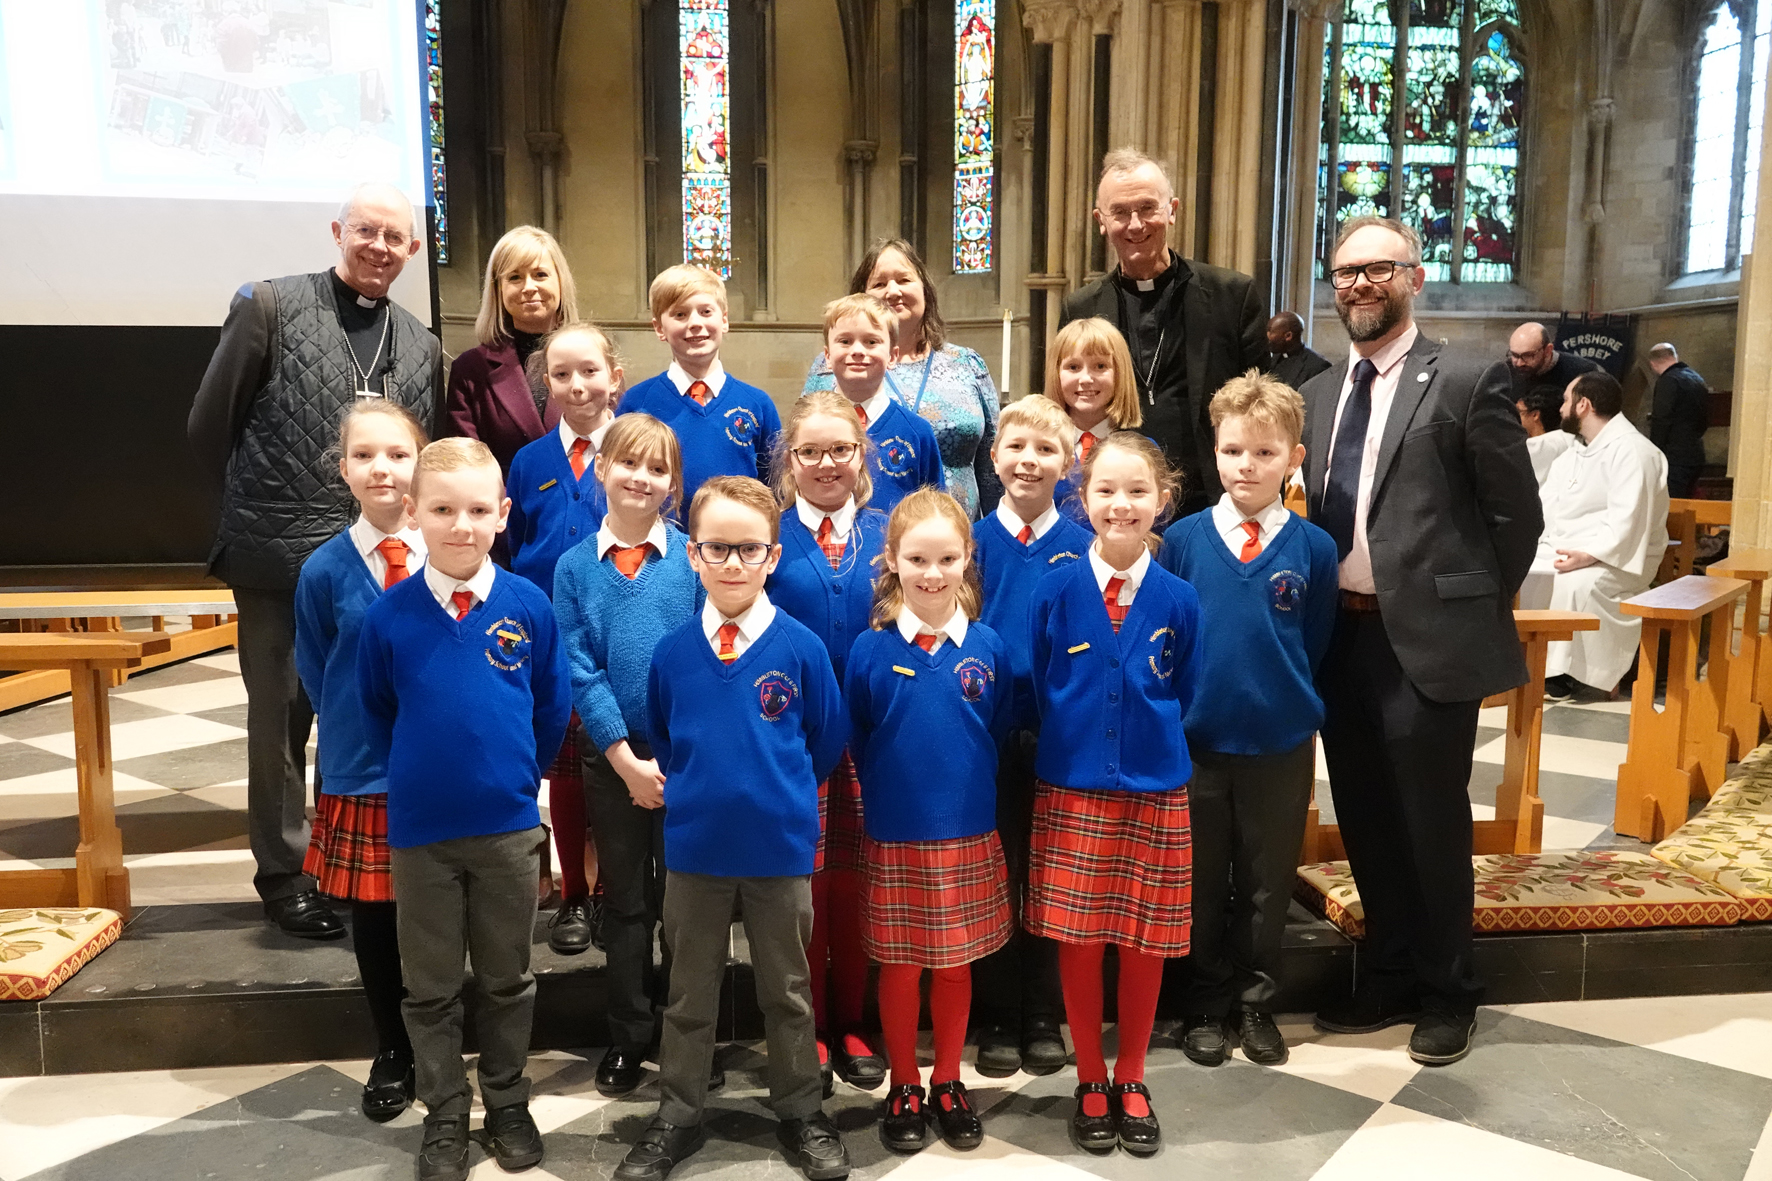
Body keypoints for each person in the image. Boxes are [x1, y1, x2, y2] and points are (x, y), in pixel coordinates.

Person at [1301, 217, 1540, 1066]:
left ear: (1413, 277)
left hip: (1428, 643)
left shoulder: (1468, 377)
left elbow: (1517, 518)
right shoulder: (1323, 391)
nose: (1359, 285)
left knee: (1431, 819)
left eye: (1376, 269)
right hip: (1346, 639)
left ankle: (1449, 989)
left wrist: (1460, 605)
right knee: (1364, 814)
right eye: (1344, 273)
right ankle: (1391, 970)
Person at [187, 182, 439, 939]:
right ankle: (282, 873)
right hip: (278, 558)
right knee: (281, 719)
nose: (379, 247)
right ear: (338, 231)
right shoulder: (269, 306)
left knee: (357, 714)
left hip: (378, 562)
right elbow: (210, 424)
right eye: (366, 231)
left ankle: (341, 865)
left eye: (394, 237)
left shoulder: (422, 344)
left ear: (413, 250)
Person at [618, 477, 850, 1181]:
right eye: (717, 547)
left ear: (773, 555)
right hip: (695, 851)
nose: (732, 563)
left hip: (779, 852)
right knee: (689, 992)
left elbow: (827, 737)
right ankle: (677, 1114)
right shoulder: (673, 654)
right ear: (693, 554)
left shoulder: (801, 648)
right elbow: (662, 729)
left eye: (748, 548)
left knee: (788, 989)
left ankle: (802, 1112)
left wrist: (772, 792)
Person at [358, 438, 572, 1181]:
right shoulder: (389, 618)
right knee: (432, 984)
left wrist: (519, 778)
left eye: (479, 509)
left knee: (508, 976)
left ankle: (507, 1098)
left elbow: (551, 708)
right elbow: (379, 711)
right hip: (423, 834)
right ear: (413, 513)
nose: (461, 524)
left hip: (509, 829)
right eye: (443, 509)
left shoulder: (529, 607)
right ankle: (445, 1108)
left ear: (503, 513)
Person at [1027, 432, 1201, 1157]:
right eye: (1105, 490)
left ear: (1163, 500)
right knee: (1080, 933)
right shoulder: (1057, 589)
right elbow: (1042, 684)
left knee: (1144, 940)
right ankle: (1090, 1074)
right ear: (1082, 498)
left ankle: (1132, 1071)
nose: (1120, 504)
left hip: (1155, 790)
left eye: (1137, 492)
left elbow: (1185, 689)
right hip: (1073, 787)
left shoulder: (1180, 598)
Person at [1156, 373, 1338, 1069]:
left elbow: (1314, 639)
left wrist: (1288, 702)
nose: (1247, 466)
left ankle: (1256, 1001)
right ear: (1216, 450)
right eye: (1234, 451)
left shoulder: (1313, 548)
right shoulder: (1183, 541)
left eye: (1265, 452)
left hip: (1280, 740)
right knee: (1201, 878)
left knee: (1268, 880)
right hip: (1198, 740)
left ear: (1293, 456)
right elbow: (1170, 643)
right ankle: (1204, 999)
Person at [846, 489, 1014, 1154]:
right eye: (917, 558)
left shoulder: (990, 647)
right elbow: (859, 734)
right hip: (895, 830)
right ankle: (906, 1081)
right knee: (898, 964)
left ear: (968, 558)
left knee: (953, 965)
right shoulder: (868, 649)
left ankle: (948, 1079)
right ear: (892, 560)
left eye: (947, 557)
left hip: (967, 828)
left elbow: (995, 726)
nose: (933, 572)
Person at [552, 414, 700, 1097]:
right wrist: (624, 758)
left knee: (684, 902)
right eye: (629, 463)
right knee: (628, 903)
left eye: (658, 467)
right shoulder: (575, 566)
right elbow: (579, 667)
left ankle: (684, 1030)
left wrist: (672, 756)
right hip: (612, 758)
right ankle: (628, 1034)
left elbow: (705, 656)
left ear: (673, 482)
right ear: (602, 467)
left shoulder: (694, 559)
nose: (642, 477)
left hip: (685, 756)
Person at [293, 401, 428, 1122]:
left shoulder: (450, 549)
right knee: (377, 917)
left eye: (398, 453)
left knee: (439, 910)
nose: (383, 468)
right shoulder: (323, 569)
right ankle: (393, 1045)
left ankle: (442, 1036)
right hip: (367, 764)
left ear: (420, 459)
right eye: (366, 455)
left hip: (443, 765)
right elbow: (318, 668)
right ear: (343, 469)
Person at [765, 392, 891, 1095]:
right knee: (804, 893)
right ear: (789, 459)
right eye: (809, 451)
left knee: (859, 887)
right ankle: (808, 1025)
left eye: (839, 449)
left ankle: (853, 1020)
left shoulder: (886, 532)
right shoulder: (774, 534)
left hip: (877, 740)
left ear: (860, 452)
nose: (825, 463)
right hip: (798, 741)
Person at [968, 395, 1090, 1078]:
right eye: (1017, 446)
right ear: (994, 455)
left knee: (1047, 871)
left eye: (1046, 450)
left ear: (1068, 464)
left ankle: (1042, 1011)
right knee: (993, 871)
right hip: (983, 735)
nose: (1029, 460)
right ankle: (996, 1012)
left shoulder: (1080, 548)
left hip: (1055, 735)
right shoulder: (972, 544)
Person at [1059, 148, 1268, 516]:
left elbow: (1261, 403)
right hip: (1118, 504)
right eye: (1120, 213)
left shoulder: (1231, 295)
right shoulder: (1082, 308)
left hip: (1213, 498)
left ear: (1172, 209)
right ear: (1101, 221)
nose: (1136, 224)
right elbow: (1065, 406)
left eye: (1147, 208)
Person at [506, 322, 620, 954]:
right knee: (568, 770)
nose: (577, 386)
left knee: (615, 759)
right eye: (561, 374)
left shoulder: (632, 451)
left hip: (618, 631)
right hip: (547, 640)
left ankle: (616, 892)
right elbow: (516, 543)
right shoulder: (529, 462)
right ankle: (574, 893)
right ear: (545, 383)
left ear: (615, 377)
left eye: (590, 371)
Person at [803, 239, 1002, 519]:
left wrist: (994, 533)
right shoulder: (832, 368)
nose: (893, 291)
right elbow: (805, 453)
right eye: (879, 284)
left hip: (959, 534)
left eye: (904, 279)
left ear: (925, 289)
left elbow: (992, 462)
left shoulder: (966, 364)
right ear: (861, 296)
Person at [1537, 372, 1670, 702]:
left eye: (1567, 400)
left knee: (1578, 583)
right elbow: (1548, 507)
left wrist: (1588, 555)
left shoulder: (1635, 452)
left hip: (1620, 557)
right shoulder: (1575, 452)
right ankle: (1539, 665)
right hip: (1569, 547)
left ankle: (1574, 674)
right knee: (1526, 574)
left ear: (1584, 405)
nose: (1562, 408)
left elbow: (1629, 519)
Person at [618, 265, 781, 512]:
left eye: (706, 312)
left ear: (724, 320)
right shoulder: (637, 402)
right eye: (680, 315)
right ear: (659, 328)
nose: (695, 323)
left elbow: (776, 487)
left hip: (735, 544)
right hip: (659, 542)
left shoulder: (757, 404)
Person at [442, 226, 579, 476]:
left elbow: (614, 448)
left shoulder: (594, 360)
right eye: (514, 277)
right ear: (498, 289)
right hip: (504, 509)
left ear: (560, 282)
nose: (528, 287)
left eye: (540, 274)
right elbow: (463, 466)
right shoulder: (471, 369)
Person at [820, 294, 947, 512]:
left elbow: (935, 511)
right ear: (827, 356)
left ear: (892, 356)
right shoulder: (809, 427)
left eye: (871, 342)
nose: (858, 351)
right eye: (845, 341)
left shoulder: (917, 432)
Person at [1041, 317, 1144, 523]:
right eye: (1073, 367)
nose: (1086, 378)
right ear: (1056, 373)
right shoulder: (1039, 450)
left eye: (1100, 366)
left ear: (1120, 373)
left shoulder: (1142, 453)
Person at [1647, 343, 1711, 499]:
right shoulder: (1697, 379)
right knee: (1686, 504)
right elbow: (1706, 418)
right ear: (1675, 357)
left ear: (1653, 364)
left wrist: (1654, 453)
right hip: (1696, 453)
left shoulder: (1668, 381)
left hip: (1674, 457)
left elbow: (1661, 420)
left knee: (1671, 505)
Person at [1506, 321, 1597, 411]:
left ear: (1548, 350)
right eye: (1514, 355)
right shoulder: (1506, 371)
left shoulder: (1582, 372)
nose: (1519, 363)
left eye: (1528, 355)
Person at [1516, 385, 1574, 489]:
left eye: (1519, 412)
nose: (1514, 418)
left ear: (1535, 415)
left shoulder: (1534, 446)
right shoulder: (1570, 439)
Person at [1265, 312, 1330, 390]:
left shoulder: (1318, 366)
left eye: (1271, 332)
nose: (1267, 339)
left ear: (1288, 336)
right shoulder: (1273, 360)